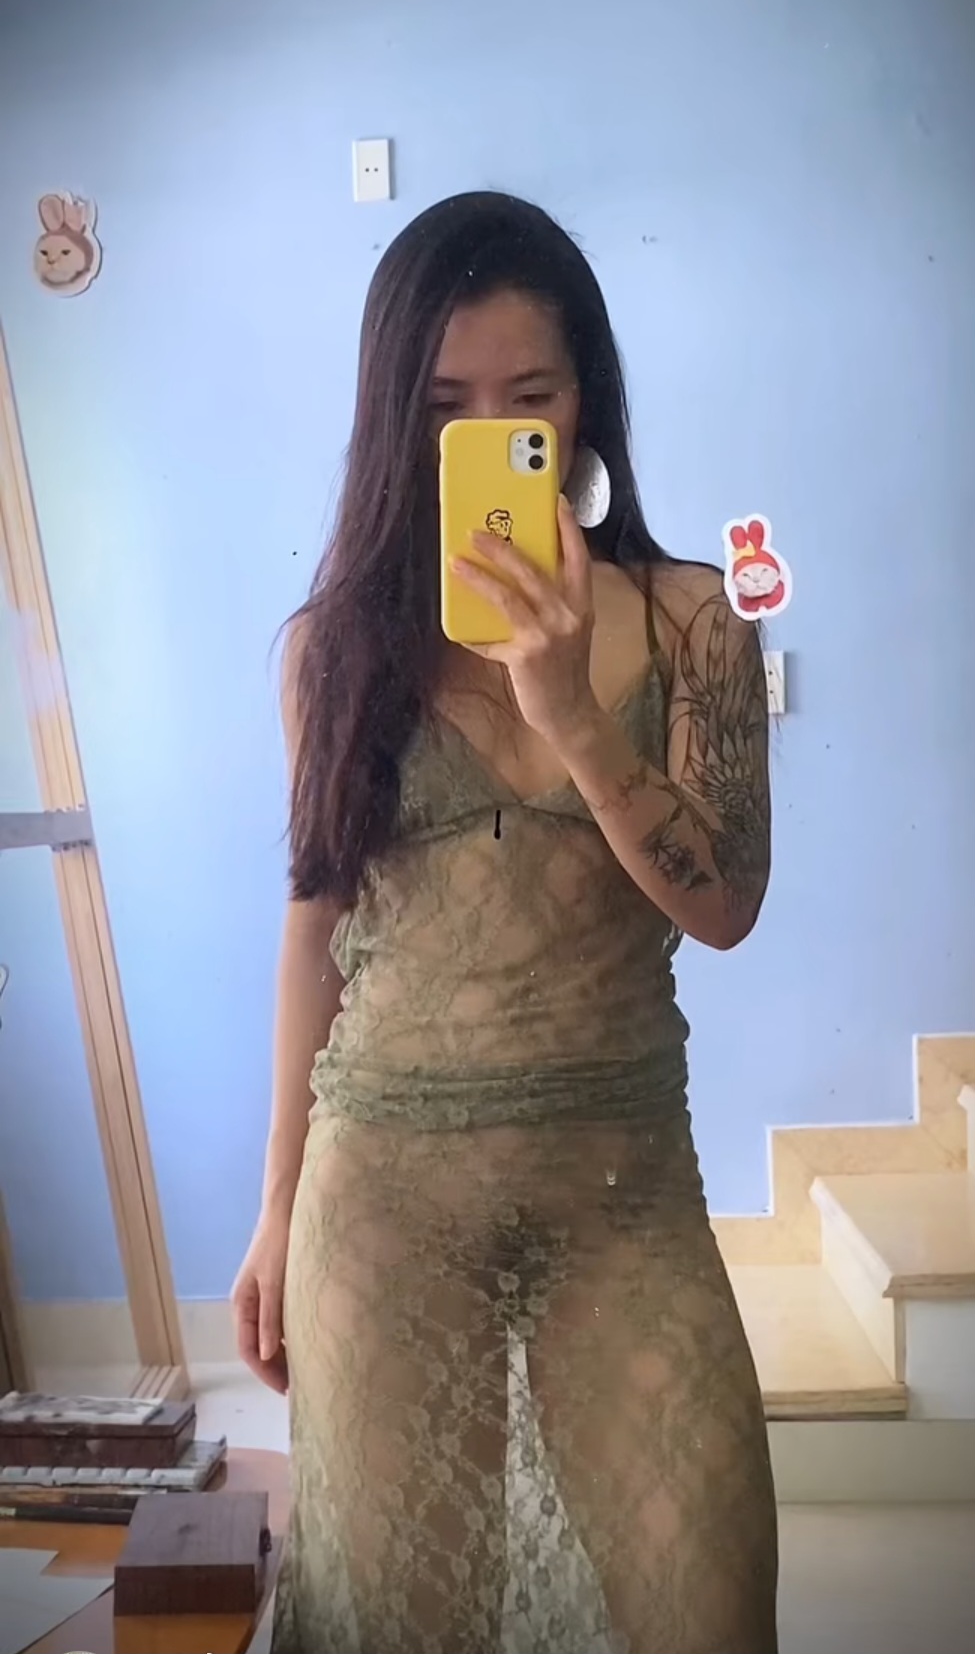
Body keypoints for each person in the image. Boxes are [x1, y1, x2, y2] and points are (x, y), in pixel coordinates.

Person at [232, 191, 779, 1654]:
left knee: (714, 1611)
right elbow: (312, 932)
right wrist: (277, 1205)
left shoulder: (697, 620)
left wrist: (571, 714)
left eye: (530, 397)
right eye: (446, 405)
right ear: (393, 419)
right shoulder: (334, 651)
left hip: (624, 1197)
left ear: (585, 400)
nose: (492, 431)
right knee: (409, 1624)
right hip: (382, 1201)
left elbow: (726, 904)